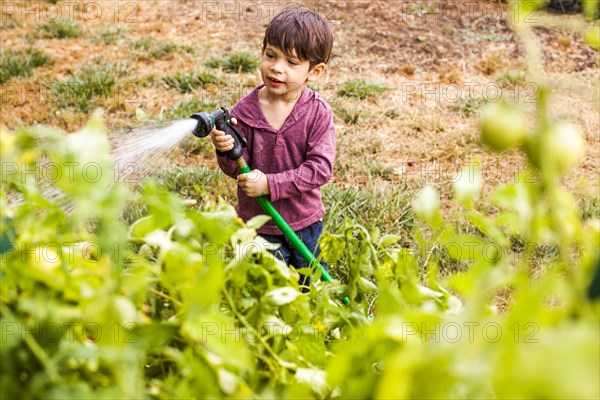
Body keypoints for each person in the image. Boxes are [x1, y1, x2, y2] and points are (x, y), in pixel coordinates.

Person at [209, 7, 335, 291]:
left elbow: (320, 169)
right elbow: (237, 169)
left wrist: (270, 184)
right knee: (266, 289)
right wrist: (226, 150)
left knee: (310, 283)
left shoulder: (317, 114)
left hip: (303, 221)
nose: (277, 67)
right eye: (271, 55)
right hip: (259, 223)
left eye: (292, 62)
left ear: (314, 72)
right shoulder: (244, 111)